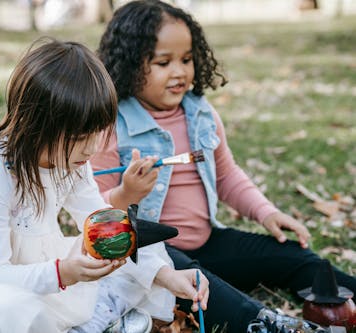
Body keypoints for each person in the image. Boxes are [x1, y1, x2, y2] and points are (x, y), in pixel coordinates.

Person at [0, 38, 209, 333]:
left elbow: (102, 220)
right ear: (36, 126)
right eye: (77, 139)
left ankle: (93, 319)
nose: (90, 150)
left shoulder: (72, 161)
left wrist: (167, 276)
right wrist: (63, 273)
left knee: (136, 241)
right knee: (14, 308)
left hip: (29, 267)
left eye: (98, 133)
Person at [91, 1, 356, 333]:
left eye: (187, 59)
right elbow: (93, 211)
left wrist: (266, 212)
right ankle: (264, 324)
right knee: (199, 282)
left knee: (292, 255)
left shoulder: (201, 114)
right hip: (153, 259)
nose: (179, 72)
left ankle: (342, 297)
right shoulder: (111, 125)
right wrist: (125, 193)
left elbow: (227, 173)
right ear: (129, 64)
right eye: (163, 62)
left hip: (208, 242)